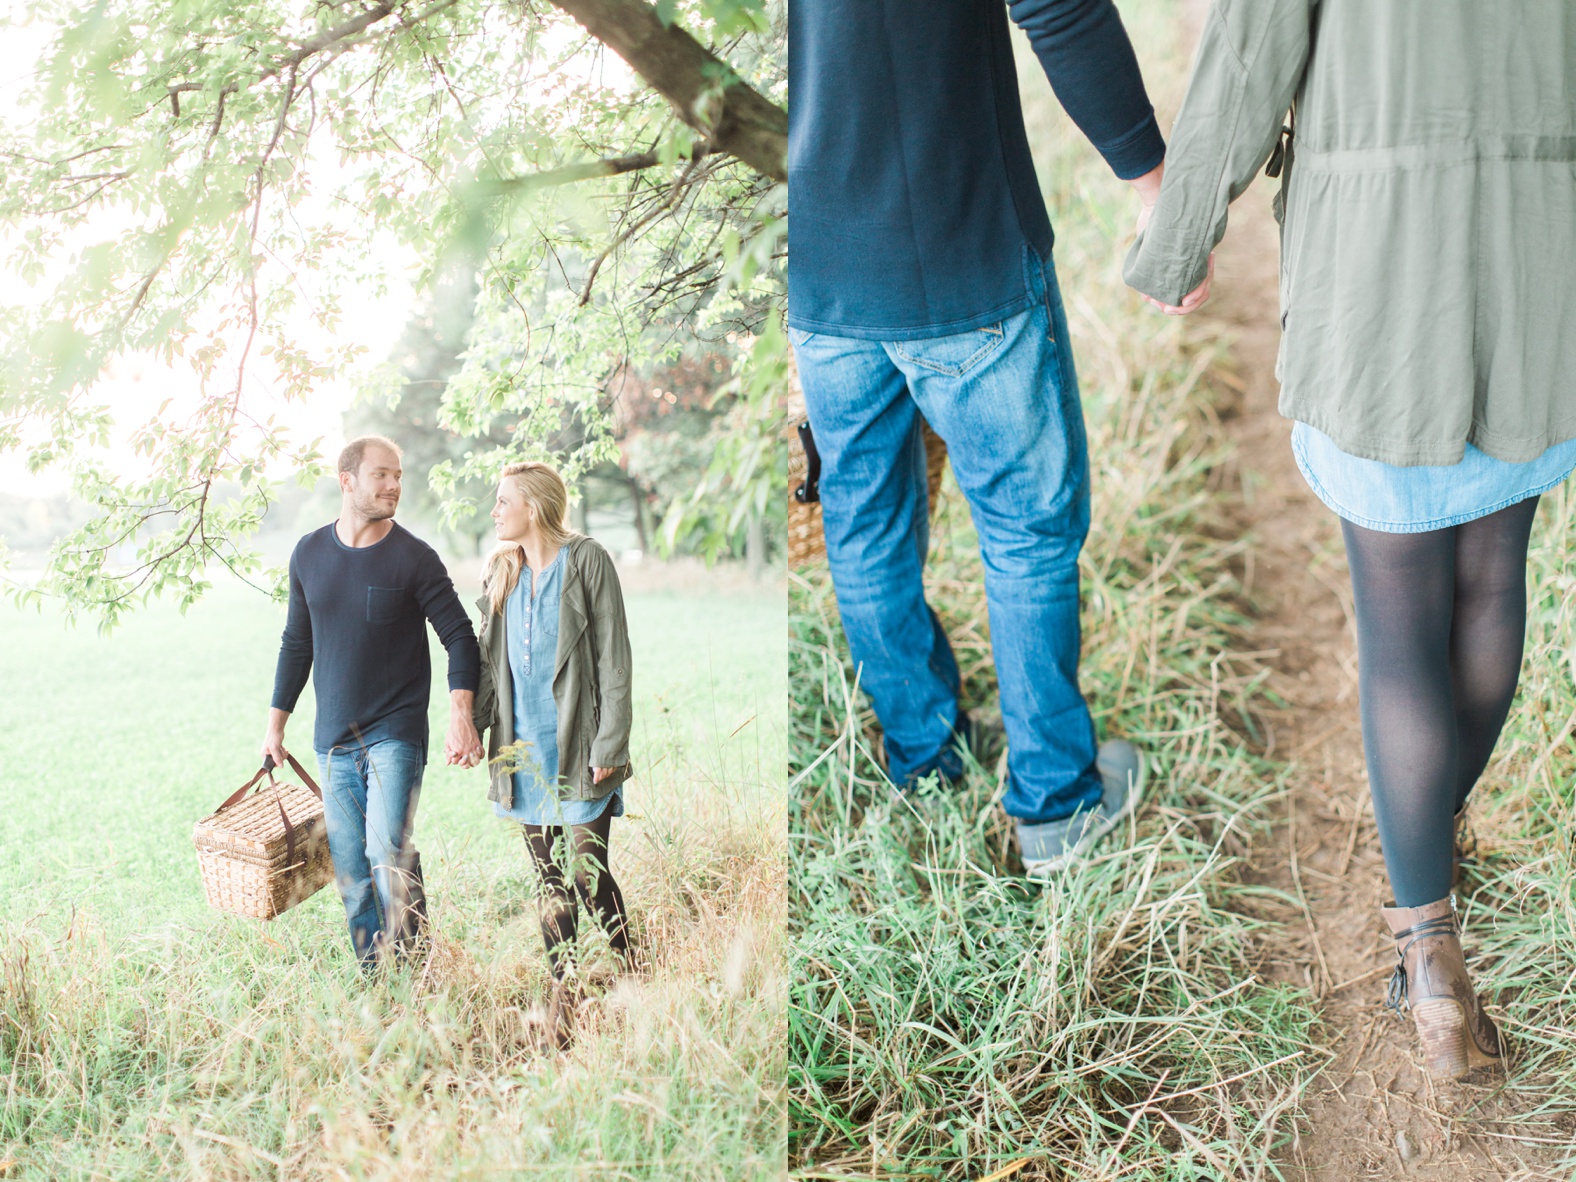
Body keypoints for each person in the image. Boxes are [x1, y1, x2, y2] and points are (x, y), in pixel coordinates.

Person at [1124, 0, 1576, 1079]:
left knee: (1400, 628)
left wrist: (1182, 228)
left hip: (1381, 273)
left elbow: (1250, 50)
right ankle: (1428, 872)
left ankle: (1428, 958)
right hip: (1537, 251)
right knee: (1488, 585)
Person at [788, 0, 1163, 875]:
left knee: (867, 528)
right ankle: (1057, 802)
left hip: (821, 277)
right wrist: (1150, 178)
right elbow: (1059, 8)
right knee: (1028, 531)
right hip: (963, 256)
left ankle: (928, 761)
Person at [264, 435, 484, 971]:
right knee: (353, 875)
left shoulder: (414, 557)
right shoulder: (309, 553)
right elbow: (298, 642)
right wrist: (275, 728)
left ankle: (416, 972)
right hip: (333, 741)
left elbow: (460, 635)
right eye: (382, 475)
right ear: (348, 481)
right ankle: (375, 977)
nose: (394, 486)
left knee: (387, 852)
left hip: (395, 731)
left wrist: (462, 716)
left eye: (399, 476)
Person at [471, 462, 635, 1012]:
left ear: (533, 508)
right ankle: (565, 990)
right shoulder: (502, 571)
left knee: (587, 874)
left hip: (582, 745)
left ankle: (633, 975)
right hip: (523, 751)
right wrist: (473, 731)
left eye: (502, 501)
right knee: (549, 880)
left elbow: (614, 658)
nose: (494, 512)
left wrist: (609, 744)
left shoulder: (586, 560)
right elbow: (488, 668)